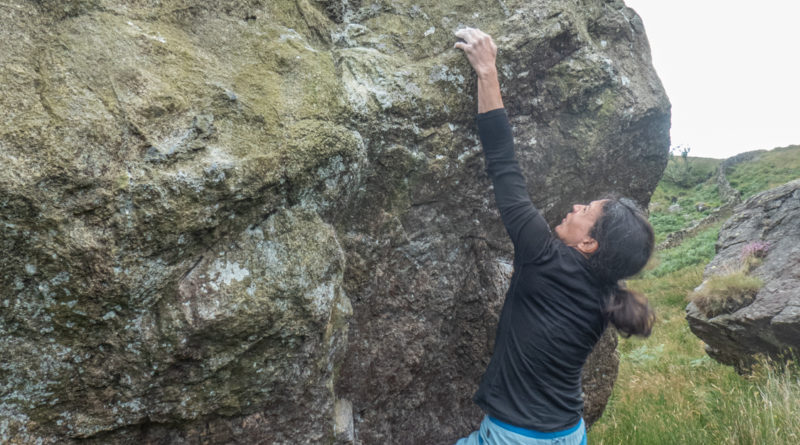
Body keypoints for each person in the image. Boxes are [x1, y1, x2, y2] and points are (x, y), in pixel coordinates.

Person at [453, 28, 656, 445]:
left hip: (516, 437)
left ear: (589, 244)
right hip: (568, 432)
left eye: (588, 212)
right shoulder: (607, 293)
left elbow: (504, 165)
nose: (578, 206)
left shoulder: (543, 257)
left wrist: (487, 71)